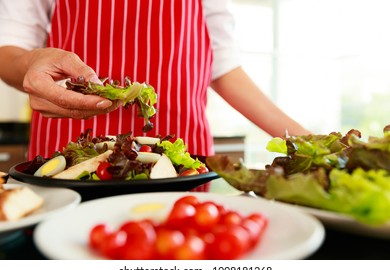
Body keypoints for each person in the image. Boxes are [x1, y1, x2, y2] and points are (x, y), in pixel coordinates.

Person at [0, 0, 310, 162]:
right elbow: (9, 49)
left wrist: (308, 141)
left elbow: (223, 66)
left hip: (179, 157)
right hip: (69, 151)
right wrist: (30, 65)